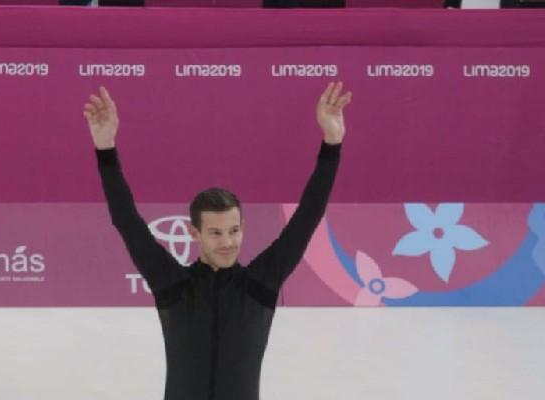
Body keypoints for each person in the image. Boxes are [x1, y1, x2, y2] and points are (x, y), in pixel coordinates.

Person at [83, 82, 351, 400]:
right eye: (215, 233)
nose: (228, 242)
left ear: (243, 227)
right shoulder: (174, 286)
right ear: (194, 233)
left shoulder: (259, 284)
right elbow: (126, 220)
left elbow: (308, 216)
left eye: (234, 230)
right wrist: (106, 150)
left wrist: (332, 143)